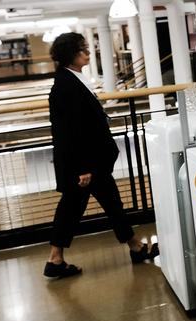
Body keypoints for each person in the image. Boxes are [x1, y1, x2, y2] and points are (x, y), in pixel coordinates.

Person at [44, 32, 156, 279]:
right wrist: (82, 168)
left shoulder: (72, 79)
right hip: (85, 164)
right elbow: (70, 131)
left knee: (102, 204)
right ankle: (56, 259)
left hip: (91, 162)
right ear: (69, 54)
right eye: (81, 49)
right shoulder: (65, 85)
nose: (87, 52)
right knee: (78, 207)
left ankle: (133, 246)